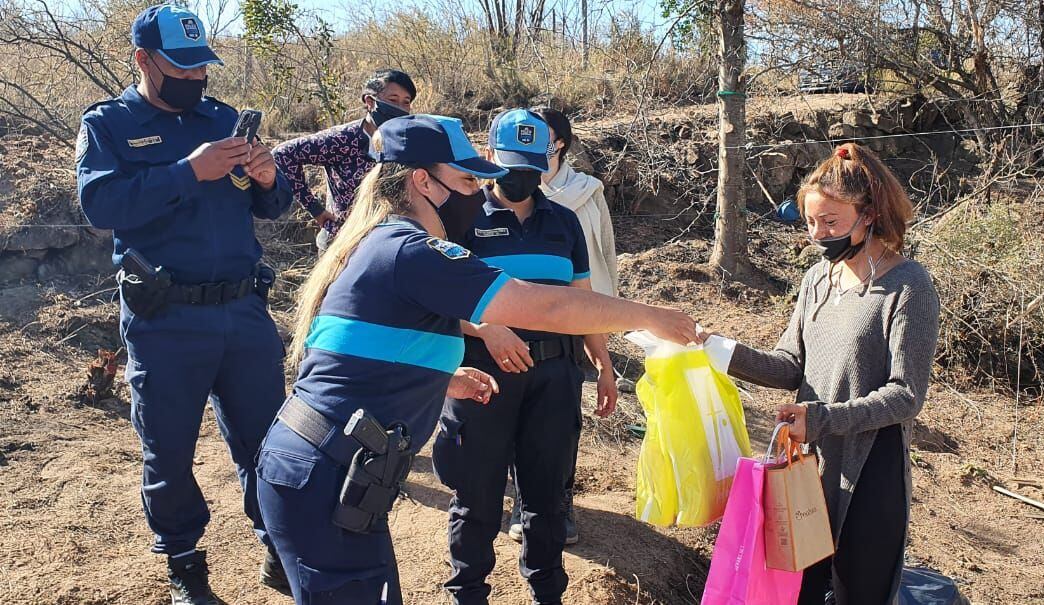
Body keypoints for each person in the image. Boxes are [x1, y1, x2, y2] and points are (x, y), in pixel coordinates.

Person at [254, 114, 700, 605]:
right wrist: (651, 317)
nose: (479, 189)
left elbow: (357, 348)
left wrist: (443, 377)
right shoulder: (413, 251)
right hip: (326, 474)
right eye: (467, 178)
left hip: (337, 472)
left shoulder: (383, 243)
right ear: (423, 181)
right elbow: (546, 305)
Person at [75, 5, 294, 604]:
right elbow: (100, 207)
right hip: (165, 318)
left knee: (269, 440)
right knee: (168, 448)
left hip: (244, 311)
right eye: (182, 66)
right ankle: (185, 563)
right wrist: (185, 172)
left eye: (203, 66)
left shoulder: (223, 119)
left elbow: (271, 209)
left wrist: (271, 178)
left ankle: (278, 546)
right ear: (143, 59)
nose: (197, 78)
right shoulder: (110, 124)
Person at [710, 143, 940, 605]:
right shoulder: (818, 279)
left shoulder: (907, 286)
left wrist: (821, 418)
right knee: (803, 591)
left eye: (830, 222)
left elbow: (906, 395)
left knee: (862, 592)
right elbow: (789, 364)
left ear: (869, 214)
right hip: (807, 467)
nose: (817, 234)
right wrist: (715, 350)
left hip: (869, 468)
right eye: (810, 222)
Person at [431, 109, 617, 604]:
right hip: (484, 376)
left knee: (546, 496)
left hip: (555, 372)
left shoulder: (564, 222)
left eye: (533, 167)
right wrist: (486, 328)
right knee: (478, 496)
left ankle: (546, 593)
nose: (522, 178)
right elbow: (437, 296)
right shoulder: (461, 219)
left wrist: (603, 364)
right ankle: (468, 593)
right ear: (489, 156)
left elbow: (582, 301)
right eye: (512, 164)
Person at [272, 69, 416, 251]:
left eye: (406, 102)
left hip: (385, 244)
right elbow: (283, 153)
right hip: (342, 244)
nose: (400, 109)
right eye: (393, 100)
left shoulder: (405, 142)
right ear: (370, 102)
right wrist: (314, 208)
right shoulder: (342, 139)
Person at [532, 106, 619, 297]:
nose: (536, 141)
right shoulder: (520, 192)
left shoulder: (588, 188)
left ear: (560, 142)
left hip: (588, 296)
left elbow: (607, 248)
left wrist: (613, 297)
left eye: (543, 134)